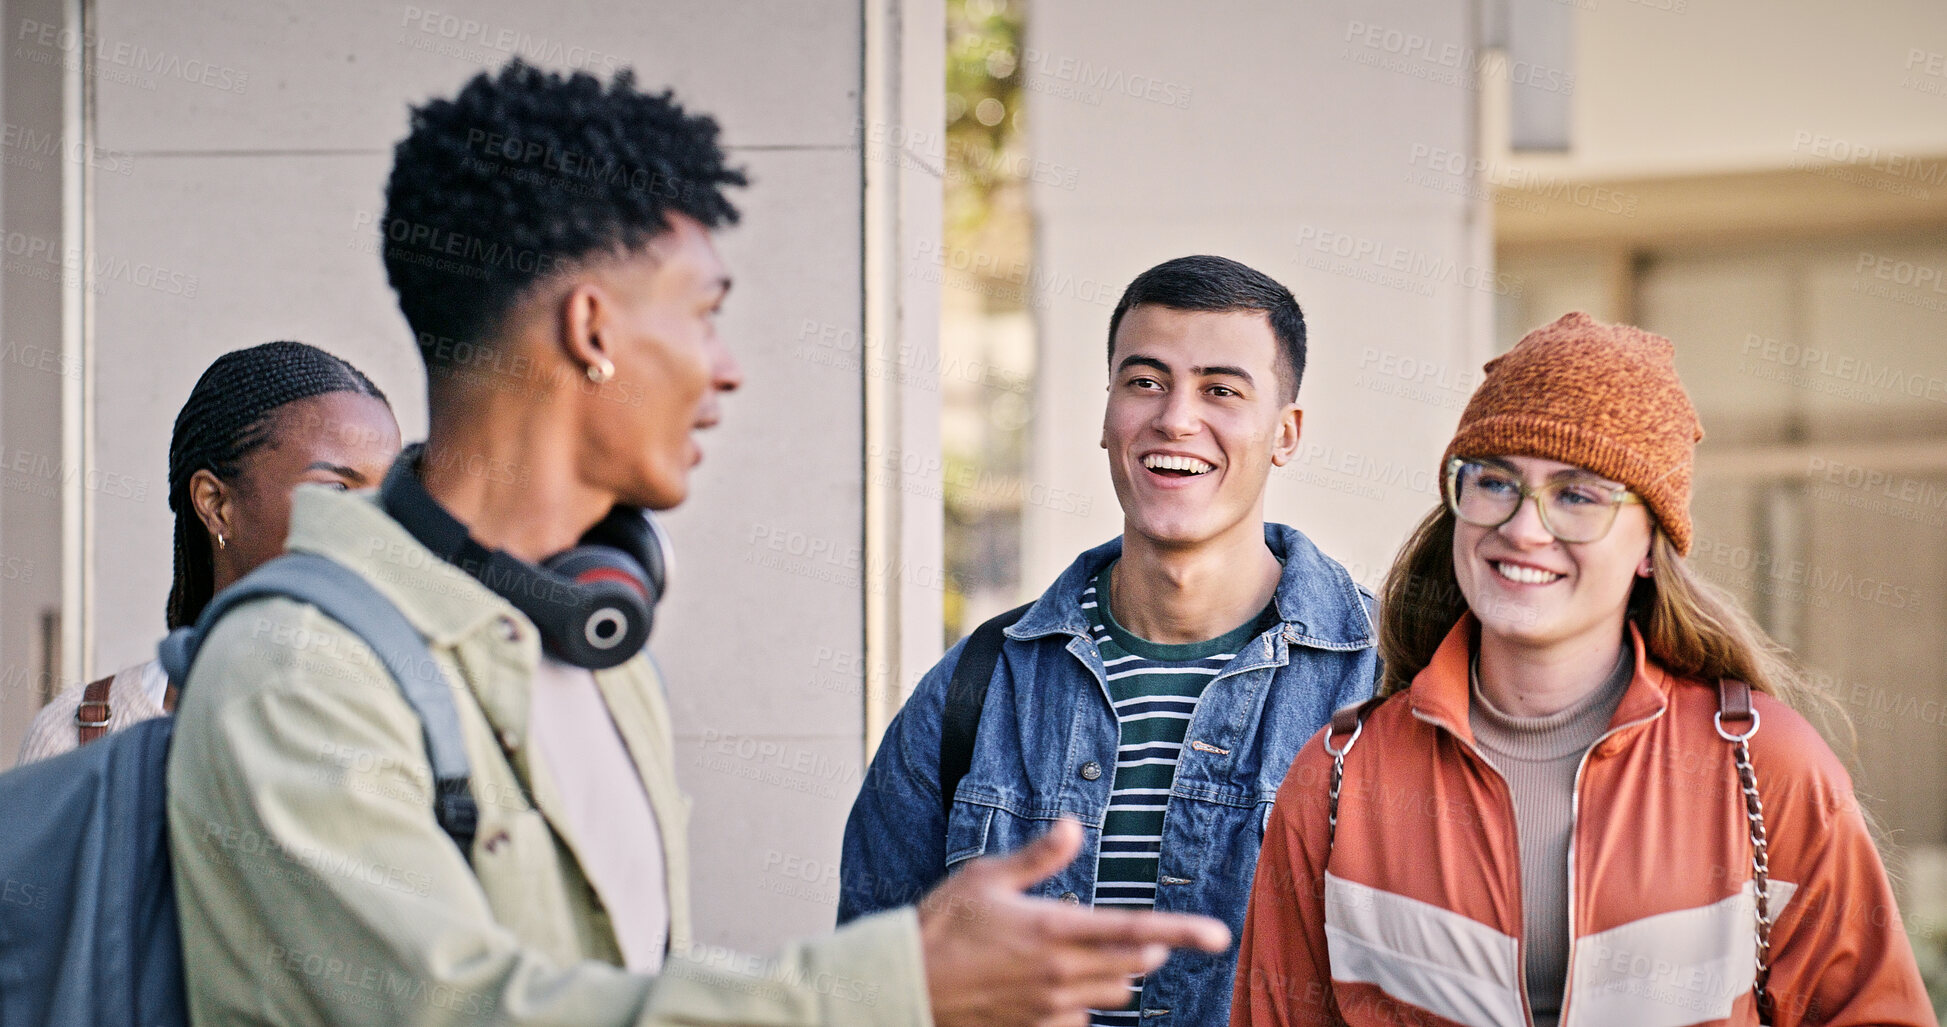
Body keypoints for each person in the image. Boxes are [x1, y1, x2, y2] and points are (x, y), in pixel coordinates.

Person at [167, 60, 1228, 1027]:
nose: (726, 368)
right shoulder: (294, 671)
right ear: (591, 328)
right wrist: (897, 987)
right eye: (703, 313)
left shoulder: (592, 639)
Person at [1233, 312, 1936, 1027]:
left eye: (1576, 495)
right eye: (1494, 482)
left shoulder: (1764, 767)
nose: (1522, 528)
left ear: (1650, 544)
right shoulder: (1338, 778)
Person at [841, 255, 1380, 1026]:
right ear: (1106, 415)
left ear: (1284, 433)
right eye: (1145, 381)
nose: (1176, 418)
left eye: (1221, 390)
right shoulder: (973, 687)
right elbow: (869, 984)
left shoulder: (1386, 682)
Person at [16, 340, 399, 764]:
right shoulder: (76, 736)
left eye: (389, 499)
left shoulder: (415, 726)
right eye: (337, 491)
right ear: (216, 505)